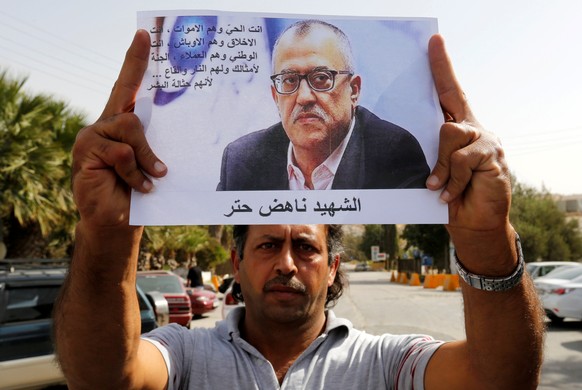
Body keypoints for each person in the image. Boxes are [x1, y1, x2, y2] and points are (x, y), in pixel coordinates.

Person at [54, 29, 544, 389]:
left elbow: (498, 381)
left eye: (306, 247)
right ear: (236, 264)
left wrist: (487, 239)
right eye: (289, 81)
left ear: (334, 268)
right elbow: (102, 379)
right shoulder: (184, 353)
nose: (286, 263)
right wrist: (106, 233)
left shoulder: (385, 363)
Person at [216, 20, 430, 191]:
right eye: (289, 80)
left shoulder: (393, 154)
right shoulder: (242, 161)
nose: (304, 97)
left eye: (321, 78)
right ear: (275, 97)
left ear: (353, 90)